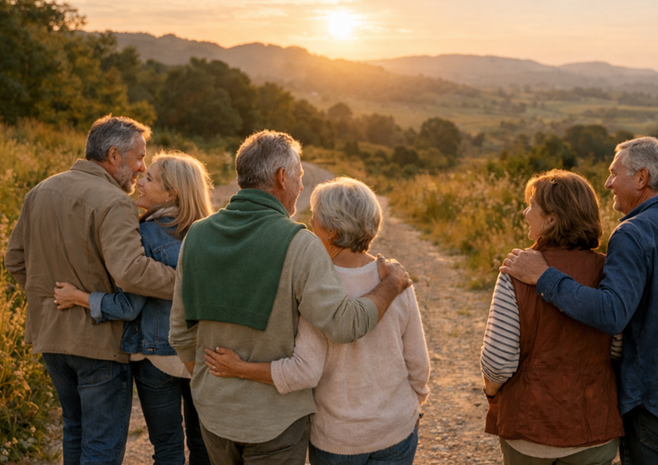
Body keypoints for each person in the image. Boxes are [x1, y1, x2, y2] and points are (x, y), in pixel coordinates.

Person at [168, 130, 412, 465]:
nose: (300, 186)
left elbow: (180, 334)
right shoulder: (299, 243)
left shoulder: (197, 234)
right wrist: (392, 284)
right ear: (282, 177)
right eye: (299, 176)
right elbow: (344, 325)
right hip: (276, 423)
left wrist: (213, 389)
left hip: (213, 414)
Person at [501, 137, 658, 465]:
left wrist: (544, 277)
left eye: (614, 173)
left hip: (656, 405)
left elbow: (611, 313)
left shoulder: (634, 232)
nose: (608, 183)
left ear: (641, 178)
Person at [204, 177, 431, 465]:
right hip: (398, 429)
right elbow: (419, 364)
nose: (310, 222)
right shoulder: (396, 278)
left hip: (338, 440)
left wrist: (240, 368)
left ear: (333, 231)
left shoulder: (318, 286)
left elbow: (304, 372)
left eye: (315, 218)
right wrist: (413, 408)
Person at [5, 115, 177, 464]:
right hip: (99, 344)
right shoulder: (114, 202)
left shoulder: (40, 190)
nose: (141, 168)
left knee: (75, 430)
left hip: (51, 339)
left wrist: (50, 301)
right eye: (139, 157)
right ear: (114, 155)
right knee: (100, 446)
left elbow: (15, 261)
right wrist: (189, 283)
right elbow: (131, 272)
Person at [52, 151, 214, 465]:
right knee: (203, 446)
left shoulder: (145, 235)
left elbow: (128, 306)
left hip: (157, 358)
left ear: (171, 194)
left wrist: (79, 297)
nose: (140, 181)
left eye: (150, 179)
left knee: (167, 449)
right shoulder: (211, 234)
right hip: (201, 355)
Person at [481, 170, 623, 465]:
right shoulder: (610, 271)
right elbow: (618, 349)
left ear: (551, 219)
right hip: (595, 427)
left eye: (531, 205)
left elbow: (498, 362)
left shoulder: (518, 270)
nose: (525, 211)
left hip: (531, 431)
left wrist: (492, 392)